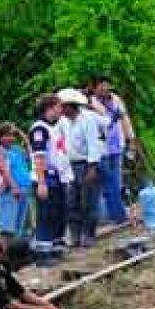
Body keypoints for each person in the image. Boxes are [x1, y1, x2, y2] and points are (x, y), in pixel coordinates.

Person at [60, 88, 106, 248]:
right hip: (70, 165)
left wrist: (92, 168)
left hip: (86, 164)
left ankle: (89, 234)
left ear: (71, 106)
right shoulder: (63, 122)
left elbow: (93, 143)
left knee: (88, 202)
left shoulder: (87, 119)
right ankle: (75, 236)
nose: (61, 109)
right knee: (72, 202)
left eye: (63, 106)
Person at [90, 76, 136, 227]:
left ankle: (116, 214)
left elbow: (125, 119)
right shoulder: (90, 103)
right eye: (101, 87)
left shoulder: (115, 99)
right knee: (104, 183)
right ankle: (105, 217)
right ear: (94, 88)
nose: (105, 89)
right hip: (102, 149)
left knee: (117, 181)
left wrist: (131, 139)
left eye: (107, 86)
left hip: (117, 145)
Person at [29, 94, 73, 247]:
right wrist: (41, 183)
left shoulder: (54, 126)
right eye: (58, 106)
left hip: (57, 177)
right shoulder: (39, 129)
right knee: (47, 215)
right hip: (45, 178)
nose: (61, 110)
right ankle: (44, 247)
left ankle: (56, 242)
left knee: (59, 212)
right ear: (50, 108)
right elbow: (39, 157)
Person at [0, 123, 32, 240]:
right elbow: (2, 170)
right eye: (7, 135)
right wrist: (13, 186)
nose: (11, 138)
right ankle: (3, 253)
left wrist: (23, 137)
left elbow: (30, 156)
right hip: (10, 192)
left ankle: (15, 254)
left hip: (23, 191)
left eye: (12, 135)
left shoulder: (16, 149)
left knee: (20, 227)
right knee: (7, 227)